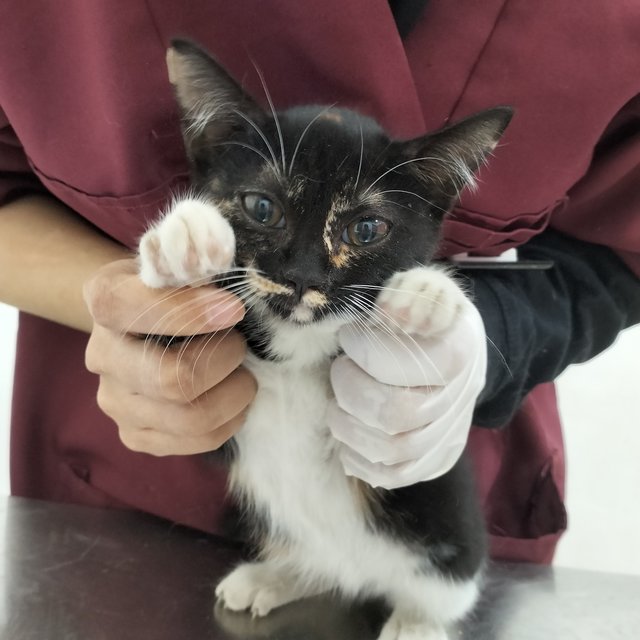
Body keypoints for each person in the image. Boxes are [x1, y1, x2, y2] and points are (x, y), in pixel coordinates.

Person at [1, 0, 639, 565]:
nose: (305, 280)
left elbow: (627, 249)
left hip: (422, 473)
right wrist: (135, 304)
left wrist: (497, 332)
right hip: (125, 475)